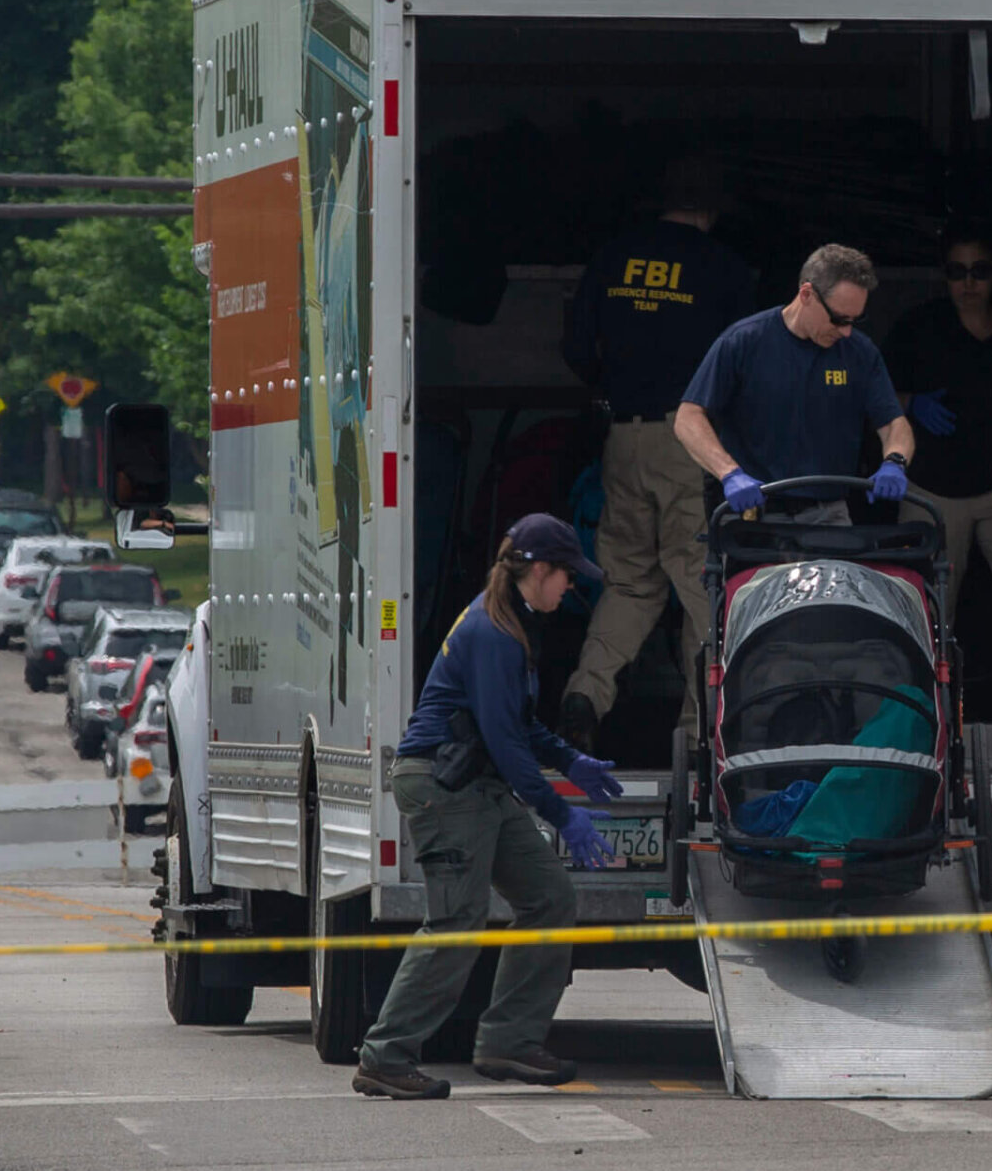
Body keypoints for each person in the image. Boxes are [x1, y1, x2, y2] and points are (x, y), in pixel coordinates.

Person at [353, 514, 626, 1101]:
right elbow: (505, 743)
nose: (570, 589)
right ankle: (386, 1056)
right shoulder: (493, 633)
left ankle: (509, 1042)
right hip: (444, 788)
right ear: (540, 571)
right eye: (566, 578)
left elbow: (518, 725)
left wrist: (570, 761)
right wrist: (561, 813)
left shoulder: (510, 623)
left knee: (549, 897)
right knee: (455, 922)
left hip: (478, 788)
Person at [558, 155, 757, 746]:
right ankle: (699, 735)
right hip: (688, 441)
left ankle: (582, 697)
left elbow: (575, 347)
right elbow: (743, 367)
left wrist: (615, 382)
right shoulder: (724, 267)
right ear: (710, 208)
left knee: (629, 584)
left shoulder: (613, 256)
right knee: (702, 586)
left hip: (623, 435)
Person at [881, 224, 992, 685]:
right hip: (929, 490)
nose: (968, 283)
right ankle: (918, 721)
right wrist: (913, 404)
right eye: (957, 272)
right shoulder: (919, 325)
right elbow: (875, 397)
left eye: (979, 271)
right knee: (923, 608)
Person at [674, 243, 916, 525]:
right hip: (754, 511)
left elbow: (893, 423)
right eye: (838, 320)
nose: (846, 331)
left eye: (854, 320)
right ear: (806, 294)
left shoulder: (860, 353)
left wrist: (894, 462)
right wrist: (729, 473)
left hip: (828, 514)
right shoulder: (743, 341)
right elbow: (688, 417)